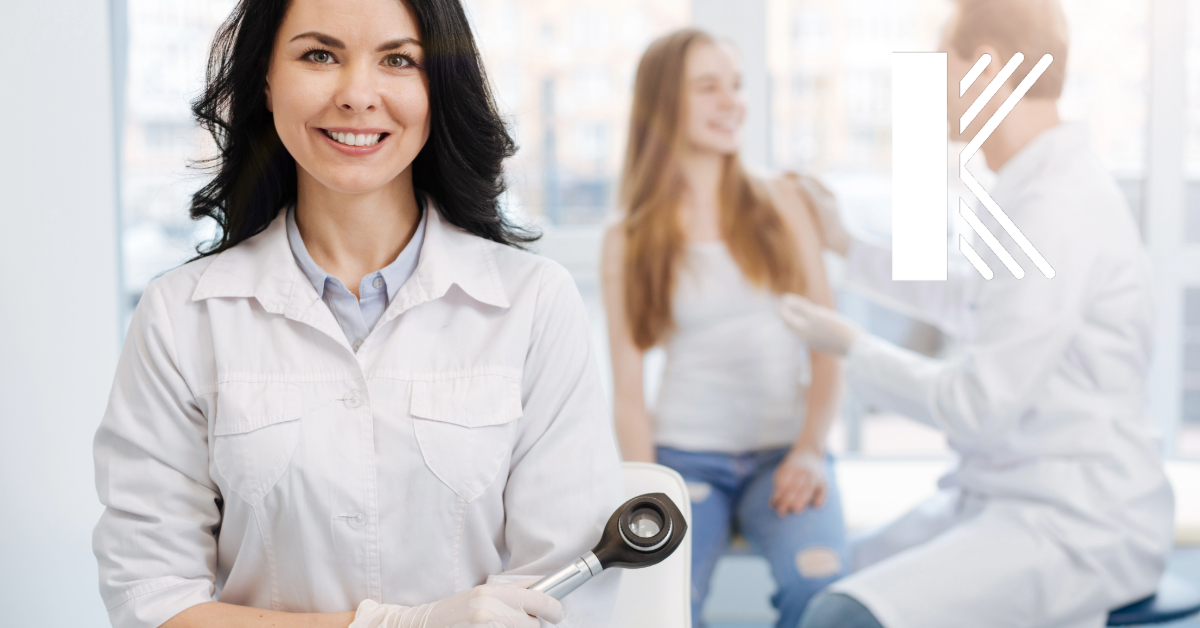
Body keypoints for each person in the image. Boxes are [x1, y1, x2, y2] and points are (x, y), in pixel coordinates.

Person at [91, 0, 624, 627]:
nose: (357, 95)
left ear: (439, 87)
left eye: (398, 59)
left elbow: (564, 590)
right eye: (320, 55)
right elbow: (152, 600)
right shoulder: (181, 316)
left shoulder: (534, 302)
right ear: (266, 77)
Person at [783, 1, 1175, 627]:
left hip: (1075, 522)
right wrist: (847, 245)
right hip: (1008, 494)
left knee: (841, 617)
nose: (933, 88)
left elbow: (977, 405)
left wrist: (852, 348)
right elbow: (975, 295)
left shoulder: (1055, 206)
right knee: (826, 576)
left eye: (941, 63)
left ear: (986, 67)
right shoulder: (1028, 184)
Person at [601, 29, 847, 628]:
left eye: (735, 86)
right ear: (664, 104)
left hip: (784, 454)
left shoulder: (785, 202)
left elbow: (829, 343)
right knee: (664, 602)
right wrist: (648, 490)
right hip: (688, 458)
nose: (731, 101)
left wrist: (811, 448)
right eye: (708, 87)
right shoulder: (628, 238)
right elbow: (629, 396)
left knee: (821, 592)